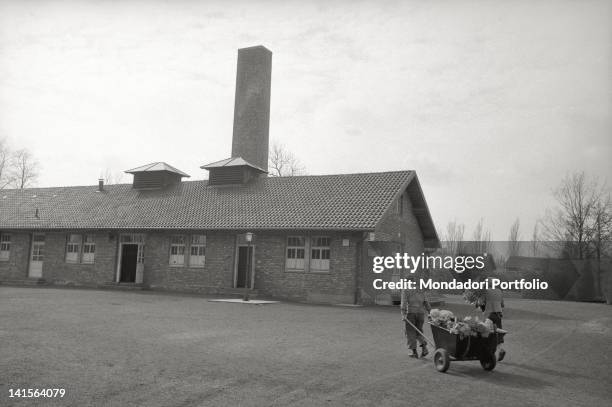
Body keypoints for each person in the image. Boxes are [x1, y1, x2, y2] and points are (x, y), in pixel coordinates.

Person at [400, 285, 431, 358]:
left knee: (410, 332)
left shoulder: (406, 289)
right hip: (421, 313)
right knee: (419, 331)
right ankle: (424, 348)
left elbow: (404, 302)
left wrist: (403, 314)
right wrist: (430, 311)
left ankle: (414, 352)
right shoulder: (420, 289)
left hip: (411, 313)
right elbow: (426, 302)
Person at [480, 279, 506, 361]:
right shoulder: (499, 291)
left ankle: (487, 353)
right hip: (498, 315)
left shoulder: (486, 292)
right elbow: (502, 305)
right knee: (497, 333)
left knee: (485, 334)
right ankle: (500, 350)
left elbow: (481, 303)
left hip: (489, 315)